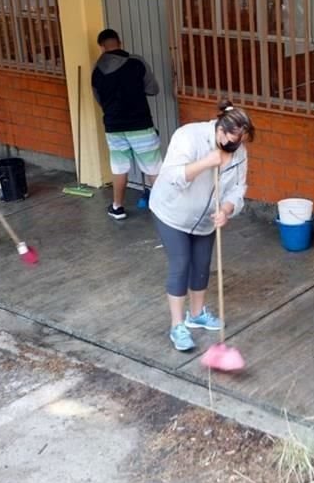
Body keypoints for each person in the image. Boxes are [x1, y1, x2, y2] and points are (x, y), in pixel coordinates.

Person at [149, 100, 255, 352]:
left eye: (240, 139)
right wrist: (207, 162)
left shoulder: (239, 152)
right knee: (181, 263)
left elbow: (238, 188)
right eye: (231, 137)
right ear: (220, 129)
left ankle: (196, 314)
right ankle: (177, 325)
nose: (235, 143)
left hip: (206, 217)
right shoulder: (189, 136)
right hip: (172, 212)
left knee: (202, 264)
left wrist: (226, 209)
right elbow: (173, 177)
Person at [92, 28, 162, 220]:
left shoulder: (96, 70)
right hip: (140, 125)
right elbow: (153, 89)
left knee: (119, 168)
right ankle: (165, 210)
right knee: (153, 168)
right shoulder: (136, 62)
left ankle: (117, 207)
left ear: (101, 47)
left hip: (114, 128)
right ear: (119, 42)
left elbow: (99, 99)